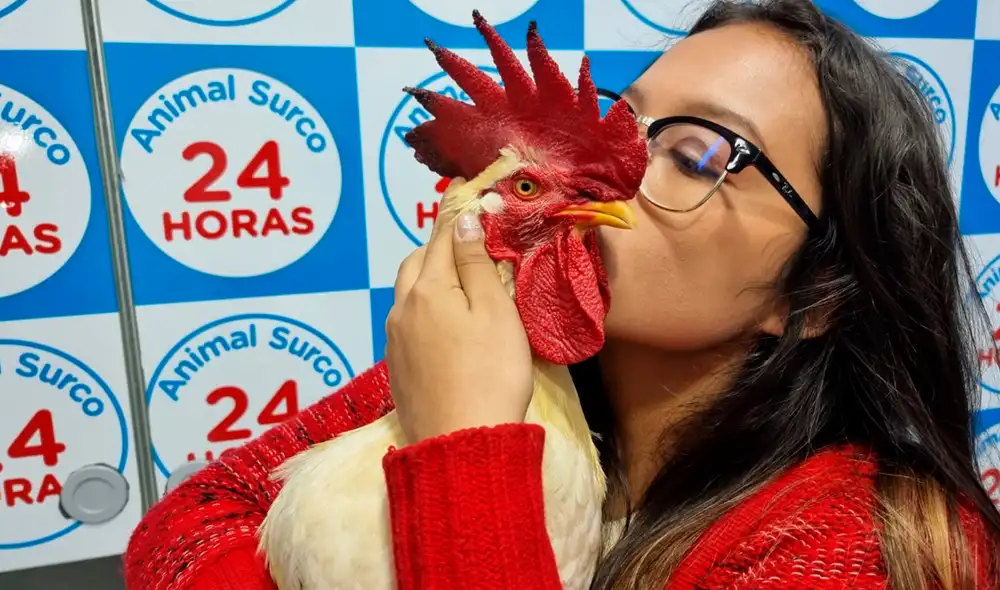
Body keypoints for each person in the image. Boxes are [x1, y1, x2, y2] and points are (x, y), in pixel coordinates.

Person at [122, 0, 1000, 588]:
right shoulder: (511, 369)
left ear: (814, 298)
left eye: (696, 153)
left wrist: (468, 449)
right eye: (629, 120)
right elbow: (184, 525)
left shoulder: (866, 548)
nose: (605, 163)